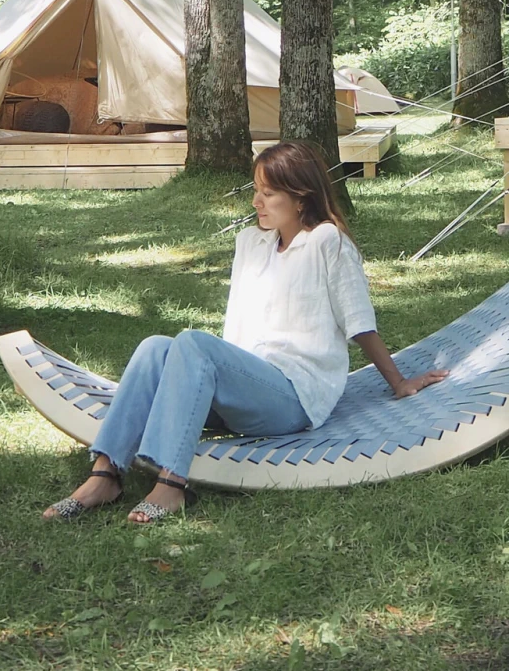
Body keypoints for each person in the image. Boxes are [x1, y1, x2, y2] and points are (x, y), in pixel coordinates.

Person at [44, 140, 449, 524]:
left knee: (191, 342)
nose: (257, 201)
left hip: (293, 397)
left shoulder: (327, 241)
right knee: (155, 348)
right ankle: (106, 475)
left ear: (301, 196)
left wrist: (397, 381)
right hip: (247, 388)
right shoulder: (252, 244)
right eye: (256, 190)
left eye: (269, 193)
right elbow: (236, 329)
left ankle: (172, 484)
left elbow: (359, 321)